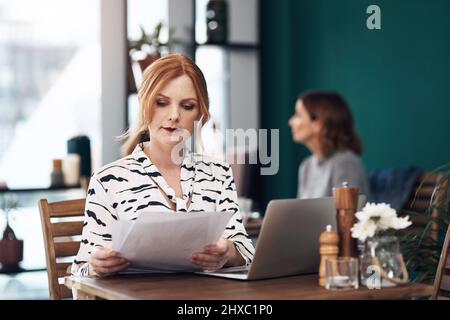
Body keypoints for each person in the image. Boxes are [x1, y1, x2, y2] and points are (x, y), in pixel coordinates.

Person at [71, 54, 255, 277]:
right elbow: (80, 271)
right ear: (144, 104)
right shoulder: (107, 180)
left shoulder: (219, 173)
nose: (174, 115)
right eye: (161, 103)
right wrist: (95, 266)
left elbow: (246, 253)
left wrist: (228, 253)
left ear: (200, 115)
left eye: (187, 106)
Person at [288, 91, 369, 199]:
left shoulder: (345, 162)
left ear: (318, 123)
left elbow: (347, 212)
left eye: (298, 115)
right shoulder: (306, 166)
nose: (291, 122)